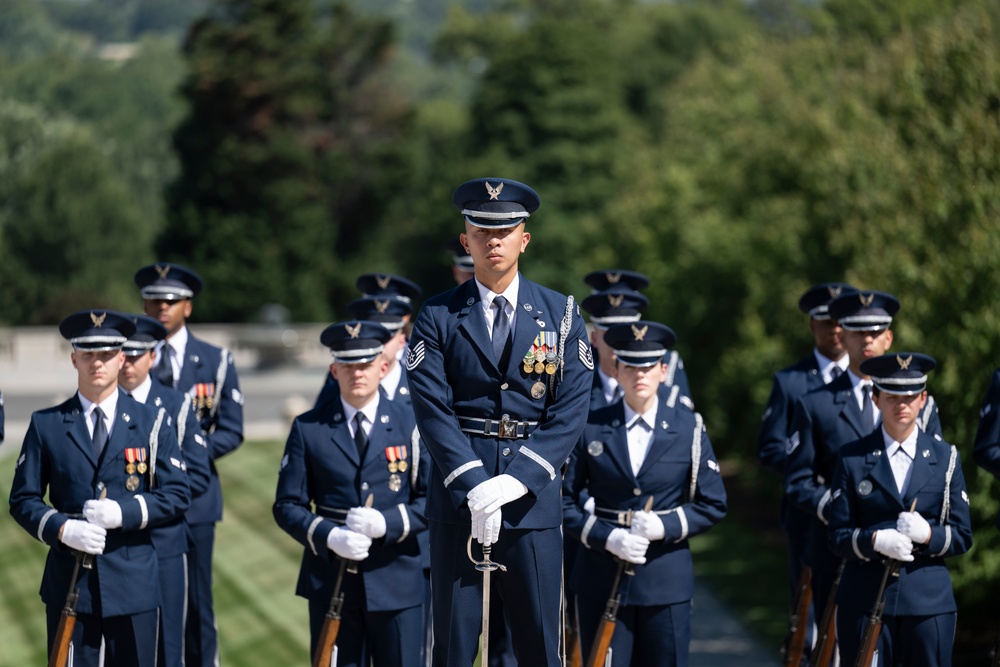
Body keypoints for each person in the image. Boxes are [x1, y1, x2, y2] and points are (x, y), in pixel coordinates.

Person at [407, 177, 593, 666]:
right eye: (481, 230)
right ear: (465, 239)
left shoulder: (563, 314)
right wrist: (473, 485)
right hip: (457, 502)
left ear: (524, 239)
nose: (493, 240)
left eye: (505, 230)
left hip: (531, 503)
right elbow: (431, 407)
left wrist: (518, 480)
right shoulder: (437, 316)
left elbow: (571, 408)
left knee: (539, 646)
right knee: (453, 646)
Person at [8, 310, 190, 667]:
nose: (97, 363)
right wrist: (62, 528)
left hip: (133, 581)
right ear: (73, 357)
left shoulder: (152, 422)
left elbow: (177, 494)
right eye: (88, 353)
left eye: (106, 354)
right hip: (71, 583)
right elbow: (22, 499)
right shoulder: (47, 425)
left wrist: (126, 512)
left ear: (122, 358)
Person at [785, 289, 942, 664]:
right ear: (842, 334)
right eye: (858, 332)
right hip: (837, 549)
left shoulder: (921, 403)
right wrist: (840, 507)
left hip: (904, 555)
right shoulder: (815, 403)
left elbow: (932, 474)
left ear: (889, 337)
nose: (867, 340)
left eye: (876, 332)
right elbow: (797, 481)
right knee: (834, 653)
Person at [563, 321, 727, 666]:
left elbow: (714, 503)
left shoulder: (688, 427)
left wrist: (665, 526)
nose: (640, 374)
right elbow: (562, 501)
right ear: (616, 369)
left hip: (665, 581)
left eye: (649, 366)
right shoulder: (589, 425)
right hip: (600, 575)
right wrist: (608, 538)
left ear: (663, 371)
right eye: (631, 366)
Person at [274, 320, 428, 666]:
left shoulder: (412, 423)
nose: (357, 373)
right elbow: (287, 505)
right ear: (333, 370)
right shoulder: (309, 428)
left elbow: (432, 500)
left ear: (383, 366)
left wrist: (387, 523)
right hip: (332, 581)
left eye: (365, 365)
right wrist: (329, 536)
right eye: (347, 365)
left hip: (396, 579)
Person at [827, 352, 972, 666]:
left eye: (910, 396)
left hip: (928, 604)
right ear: (876, 399)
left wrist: (929, 534)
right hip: (865, 600)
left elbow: (962, 535)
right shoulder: (852, 458)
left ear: (923, 400)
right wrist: (874, 540)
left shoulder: (945, 457)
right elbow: (837, 535)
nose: (901, 405)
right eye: (892, 396)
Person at [134, 262, 245, 667]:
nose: (161, 306)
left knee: (198, 602)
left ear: (188, 307)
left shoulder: (216, 361)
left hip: (197, 497)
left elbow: (232, 430)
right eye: (153, 299)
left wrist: (182, 459)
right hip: (141, 493)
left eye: (170, 300)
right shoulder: (129, 359)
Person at [756, 281, 852, 652]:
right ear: (813, 326)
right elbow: (769, 447)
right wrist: (804, 467)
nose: (837, 330)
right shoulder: (791, 382)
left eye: (842, 322)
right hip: (808, 513)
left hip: (858, 513)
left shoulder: (869, 382)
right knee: (810, 617)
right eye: (827, 323)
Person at [119, 314, 212, 667]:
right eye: (122, 354)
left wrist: (144, 504)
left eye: (136, 355)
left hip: (162, 542)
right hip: (114, 547)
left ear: (153, 357)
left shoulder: (176, 405)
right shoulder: (102, 406)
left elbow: (197, 475)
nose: (128, 363)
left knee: (168, 647)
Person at [582, 270, 692, 406]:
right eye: (609, 334)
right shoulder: (579, 369)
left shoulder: (667, 362)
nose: (617, 342)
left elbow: (681, 419)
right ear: (594, 338)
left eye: (626, 332)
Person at [314, 274, 422, 409]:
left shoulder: (422, 362)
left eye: (388, 335)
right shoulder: (346, 368)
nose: (380, 340)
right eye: (373, 333)